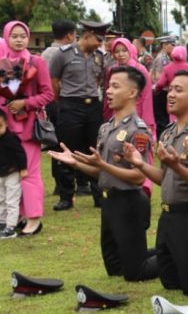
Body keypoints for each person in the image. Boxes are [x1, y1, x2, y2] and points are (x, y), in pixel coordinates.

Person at [127, 70, 188, 296]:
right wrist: (140, 164)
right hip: (170, 218)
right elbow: (165, 178)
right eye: (170, 89)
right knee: (171, 282)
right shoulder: (169, 133)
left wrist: (177, 167)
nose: (170, 94)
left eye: (178, 90)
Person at [50, 66, 156, 279]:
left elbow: (138, 177)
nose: (108, 91)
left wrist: (103, 166)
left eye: (115, 86)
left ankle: (173, 255)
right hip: (109, 201)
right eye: (109, 86)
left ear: (132, 92)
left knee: (135, 272)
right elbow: (102, 173)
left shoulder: (137, 130)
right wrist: (75, 163)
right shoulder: (106, 128)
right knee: (114, 268)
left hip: (129, 202)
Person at [0, 20, 53, 235]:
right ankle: (18, 216)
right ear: (6, 37)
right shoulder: (2, 62)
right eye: (14, 36)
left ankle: (34, 218)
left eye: (23, 36)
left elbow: (48, 94)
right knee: (10, 174)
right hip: (5, 129)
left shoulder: (36, 61)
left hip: (28, 127)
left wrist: (25, 103)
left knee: (28, 174)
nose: (19, 40)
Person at [50, 19, 108, 211]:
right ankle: (66, 196)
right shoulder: (63, 54)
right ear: (87, 36)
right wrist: (62, 102)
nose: (100, 44)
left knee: (95, 149)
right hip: (70, 105)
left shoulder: (99, 56)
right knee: (67, 148)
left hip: (93, 106)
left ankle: (98, 195)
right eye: (98, 40)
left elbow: (99, 80)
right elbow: (54, 81)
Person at [41, 19, 76, 201]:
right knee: (66, 143)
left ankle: (59, 184)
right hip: (61, 101)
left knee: (56, 143)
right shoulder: (64, 53)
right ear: (69, 35)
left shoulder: (45, 53)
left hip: (51, 103)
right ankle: (70, 184)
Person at [0, 112, 27, 239]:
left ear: (6, 124)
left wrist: (23, 168)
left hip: (12, 173)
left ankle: (11, 226)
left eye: (0, 126)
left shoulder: (10, 138)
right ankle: (2, 222)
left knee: (12, 200)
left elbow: (20, 153)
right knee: (1, 199)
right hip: (1, 174)